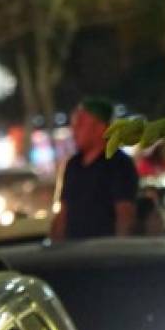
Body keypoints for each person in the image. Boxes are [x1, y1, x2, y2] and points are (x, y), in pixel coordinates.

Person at [50, 97, 139, 241]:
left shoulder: (119, 164)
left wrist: (118, 253)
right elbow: (63, 213)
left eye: (80, 124)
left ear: (100, 128)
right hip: (73, 254)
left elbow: (125, 214)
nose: (74, 131)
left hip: (102, 252)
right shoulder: (73, 164)